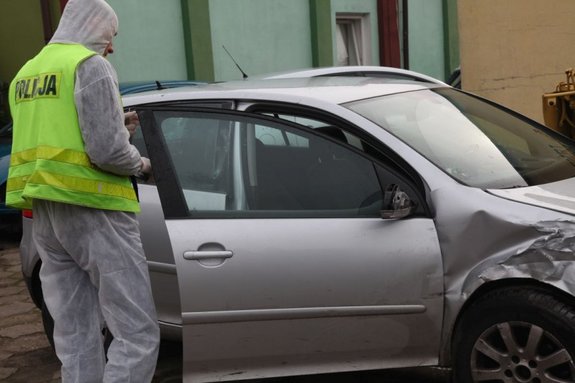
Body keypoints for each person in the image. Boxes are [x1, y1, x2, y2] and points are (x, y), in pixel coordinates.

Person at [5, 0, 160, 381]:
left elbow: (57, 133)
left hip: (46, 214)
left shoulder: (26, 72)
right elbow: (107, 151)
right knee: (136, 332)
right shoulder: (89, 66)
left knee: (75, 332)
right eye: (112, 35)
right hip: (95, 208)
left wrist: (113, 124)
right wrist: (140, 163)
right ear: (94, 25)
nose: (112, 47)